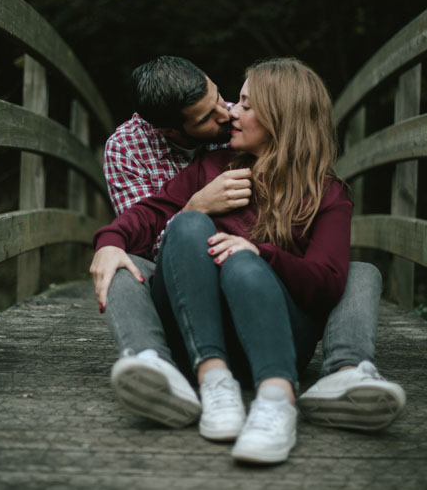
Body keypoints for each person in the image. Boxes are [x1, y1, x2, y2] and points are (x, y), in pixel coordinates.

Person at [91, 58, 404, 463]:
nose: (230, 113)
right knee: (162, 238)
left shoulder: (326, 194)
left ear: (278, 120)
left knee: (351, 271)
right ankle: (179, 371)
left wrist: (264, 254)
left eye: (242, 103)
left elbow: (324, 281)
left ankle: (314, 384)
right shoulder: (213, 165)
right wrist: (110, 240)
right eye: (232, 103)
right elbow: (150, 212)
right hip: (196, 331)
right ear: (171, 129)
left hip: (276, 335)